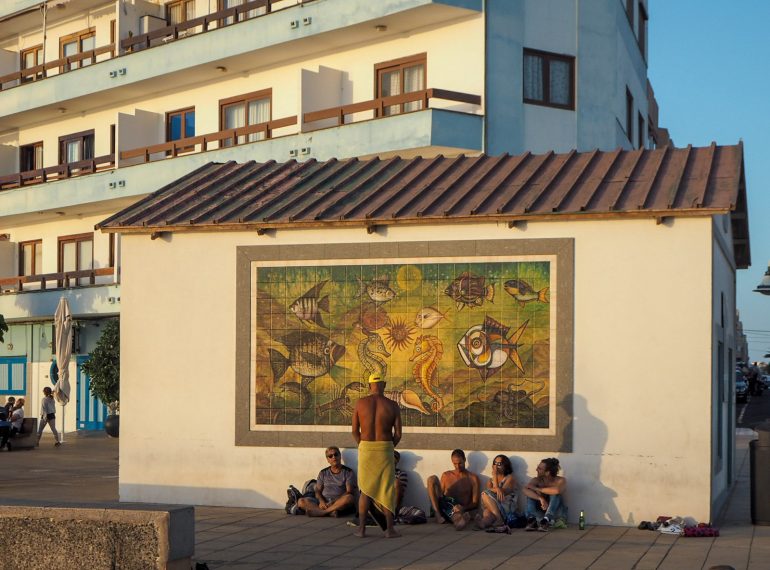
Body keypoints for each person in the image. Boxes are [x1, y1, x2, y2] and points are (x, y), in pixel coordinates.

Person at [351, 373, 402, 538]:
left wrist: (363, 445)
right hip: (385, 447)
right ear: (384, 385)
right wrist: (388, 447)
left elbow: (354, 431)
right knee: (386, 489)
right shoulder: (393, 405)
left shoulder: (360, 403)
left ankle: (362, 530)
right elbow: (399, 434)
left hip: (366, 447)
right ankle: (390, 530)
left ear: (369, 385)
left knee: (365, 490)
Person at [427, 449, 480, 530]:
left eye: (460, 463)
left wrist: (463, 508)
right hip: (445, 506)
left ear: (465, 460)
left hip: (458, 510)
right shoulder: (446, 475)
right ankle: (437, 514)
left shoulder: (473, 478)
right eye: (455, 464)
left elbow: (475, 503)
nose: (457, 466)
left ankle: (461, 520)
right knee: (431, 479)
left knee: (458, 519)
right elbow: (440, 496)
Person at [296, 446, 357, 517]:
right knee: (301, 501)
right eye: (330, 456)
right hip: (324, 501)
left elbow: (349, 491)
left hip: (338, 502)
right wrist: (321, 501)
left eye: (336, 454)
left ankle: (322, 512)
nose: (334, 457)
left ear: (340, 456)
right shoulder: (323, 473)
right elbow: (318, 490)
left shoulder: (348, 472)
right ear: (328, 460)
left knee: (349, 498)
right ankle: (329, 512)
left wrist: (333, 502)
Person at [523, 457, 567, 532]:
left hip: (555, 514)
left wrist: (538, 489)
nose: (536, 469)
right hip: (540, 513)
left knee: (555, 494)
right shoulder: (536, 480)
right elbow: (525, 490)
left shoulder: (560, 480)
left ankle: (547, 519)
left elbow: (557, 490)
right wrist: (540, 498)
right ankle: (532, 520)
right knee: (530, 494)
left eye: (539, 468)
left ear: (547, 472)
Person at [476, 454, 517, 529]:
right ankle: (483, 523)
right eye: (495, 463)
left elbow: (502, 493)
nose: (496, 466)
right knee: (487, 513)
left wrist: (495, 476)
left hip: (506, 509)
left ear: (505, 466)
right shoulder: (490, 481)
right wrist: (497, 488)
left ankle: (499, 519)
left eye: (499, 464)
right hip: (495, 508)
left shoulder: (510, 478)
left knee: (484, 493)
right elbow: (491, 494)